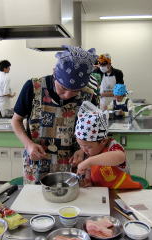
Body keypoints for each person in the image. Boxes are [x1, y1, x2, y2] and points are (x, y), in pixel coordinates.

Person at [12, 45, 97, 184]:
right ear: (54, 73)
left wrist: (83, 151)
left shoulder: (89, 96)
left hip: (73, 167)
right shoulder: (33, 88)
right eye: (63, 88)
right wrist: (28, 145)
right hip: (37, 164)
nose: (68, 95)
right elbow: (16, 120)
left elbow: (91, 133)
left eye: (76, 91)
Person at [73, 101, 142, 189]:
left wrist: (89, 161)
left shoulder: (113, 147)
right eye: (81, 146)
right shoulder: (92, 151)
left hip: (122, 192)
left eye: (88, 147)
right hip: (103, 193)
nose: (84, 150)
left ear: (103, 141)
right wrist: (88, 180)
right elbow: (89, 170)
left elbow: (120, 157)